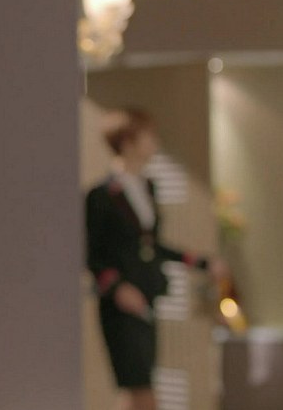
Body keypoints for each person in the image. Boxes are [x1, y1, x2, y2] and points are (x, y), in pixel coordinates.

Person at [86, 107, 227, 410]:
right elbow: (92, 254)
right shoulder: (101, 196)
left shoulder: (148, 187)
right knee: (141, 388)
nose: (155, 142)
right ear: (127, 142)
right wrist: (118, 288)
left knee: (137, 389)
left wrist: (202, 263)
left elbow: (152, 245)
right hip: (121, 307)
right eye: (147, 135)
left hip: (148, 296)